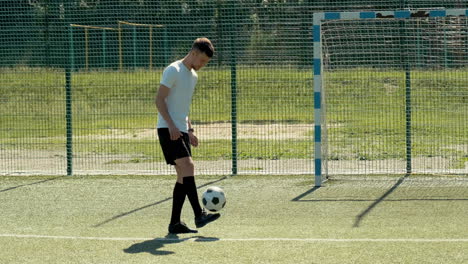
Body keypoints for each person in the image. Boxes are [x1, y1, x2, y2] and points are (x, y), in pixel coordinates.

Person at [155, 38, 220, 234]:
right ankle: (199, 214)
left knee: (183, 176)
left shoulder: (193, 76)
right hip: (168, 129)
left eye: (205, 63)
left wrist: (189, 130)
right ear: (193, 53)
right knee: (188, 166)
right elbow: (159, 100)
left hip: (181, 130)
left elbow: (182, 107)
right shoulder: (173, 70)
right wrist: (172, 126)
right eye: (202, 61)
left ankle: (175, 223)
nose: (202, 65)